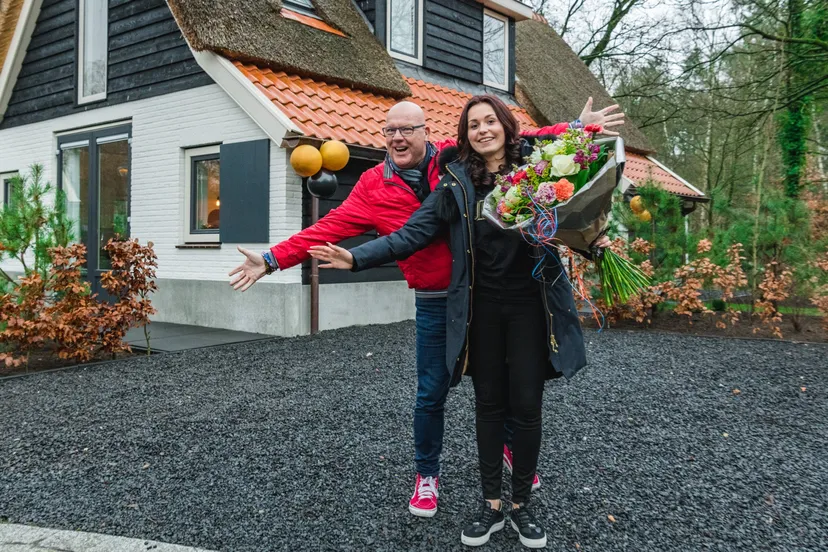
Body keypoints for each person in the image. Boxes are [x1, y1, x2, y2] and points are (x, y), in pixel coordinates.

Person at [229, 99, 624, 519]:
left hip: (484, 293)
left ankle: (510, 448)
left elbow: (519, 140)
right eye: (390, 131)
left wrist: (575, 128)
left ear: (425, 132)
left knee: (503, 381)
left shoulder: (456, 160)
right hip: (437, 299)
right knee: (432, 391)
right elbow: (329, 228)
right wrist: (271, 259)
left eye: (407, 130)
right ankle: (427, 474)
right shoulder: (372, 186)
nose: (398, 138)